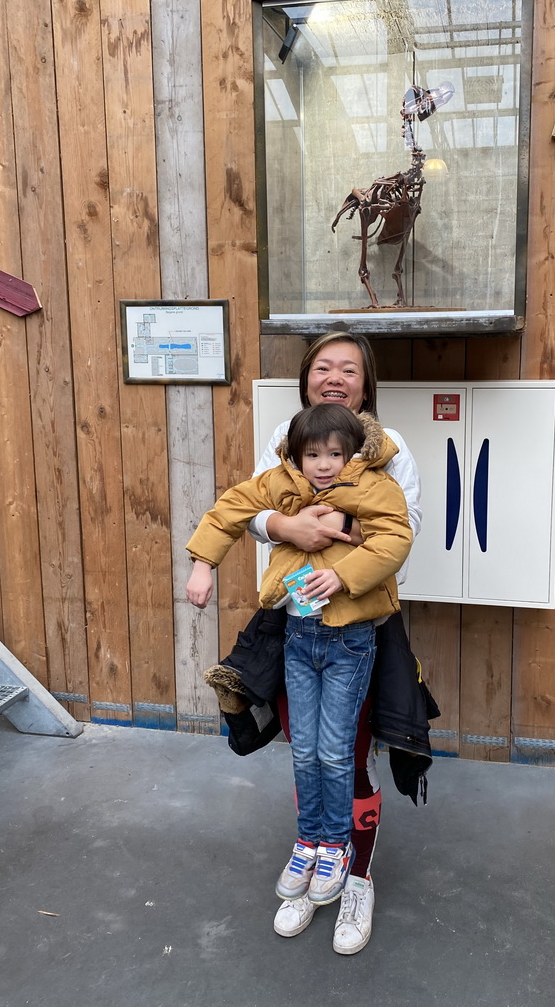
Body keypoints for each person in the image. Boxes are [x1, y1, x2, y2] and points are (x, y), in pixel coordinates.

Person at [185, 398, 414, 949]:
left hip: (351, 638)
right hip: (296, 634)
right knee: (305, 747)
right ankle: (308, 842)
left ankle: (337, 847)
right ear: (295, 454)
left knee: (338, 750)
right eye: (313, 454)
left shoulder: (376, 483)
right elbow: (231, 509)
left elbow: (397, 536)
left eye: (336, 453)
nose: (325, 464)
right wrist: (202, 563)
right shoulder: (278, 481)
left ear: (354, 452)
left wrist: (344, 576)